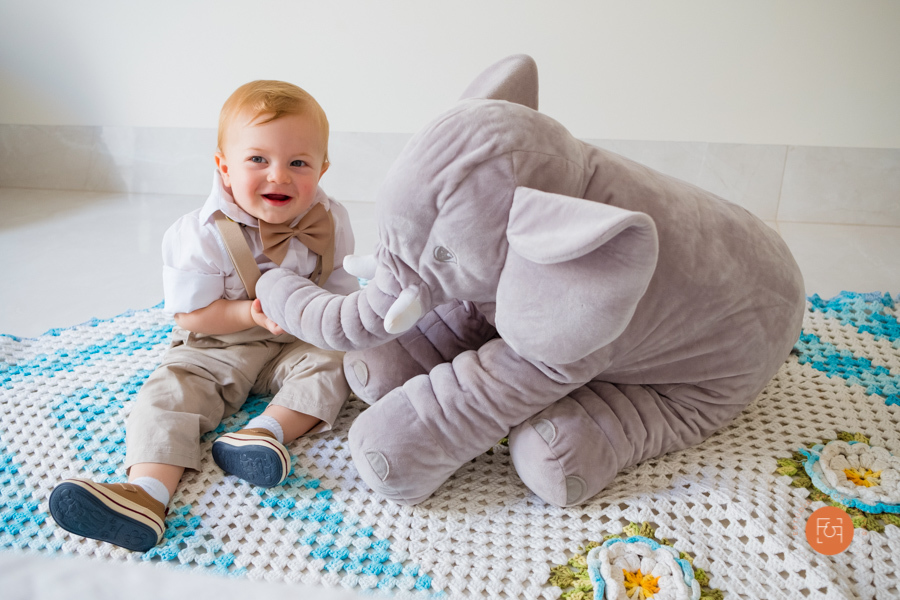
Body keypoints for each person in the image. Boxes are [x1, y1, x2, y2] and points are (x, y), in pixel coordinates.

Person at [48, 80, 357, 552]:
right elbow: (191, 315)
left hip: (296, 341)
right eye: (258, 160)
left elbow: (337, 291)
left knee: (341, 360)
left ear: (323, 168)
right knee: (170, 390)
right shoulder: (200, 233)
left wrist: (337, 324)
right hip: (218, 342)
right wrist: (246, 313)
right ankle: (147, 493)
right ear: (224, 167)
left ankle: (264, 433)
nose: (278, 175)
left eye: (298, 163)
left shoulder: (330, 220)